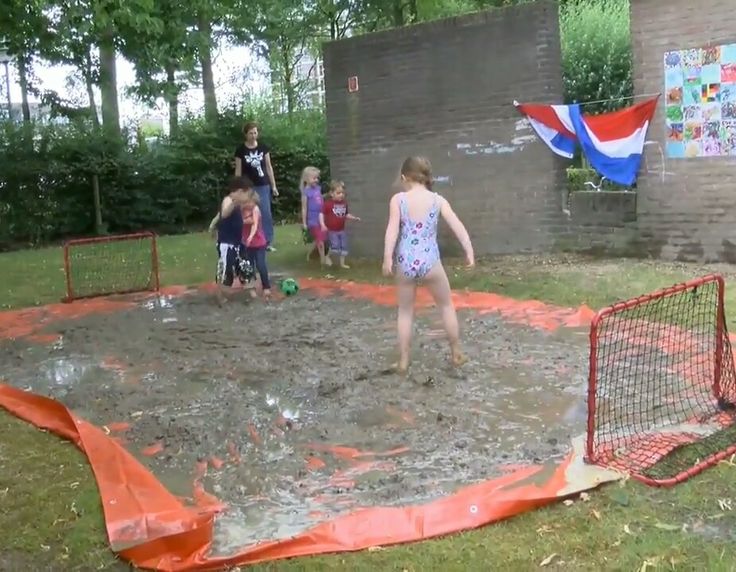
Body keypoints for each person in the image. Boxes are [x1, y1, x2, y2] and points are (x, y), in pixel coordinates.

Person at [382, 156, 475, 374]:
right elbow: (457, 225)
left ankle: (404, 360)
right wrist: (469, 250)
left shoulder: (398, 200)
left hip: (405, 260)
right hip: (430, 260)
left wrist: (387, 258)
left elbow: (392, 230)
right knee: (445, 306)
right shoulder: (438, 200)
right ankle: (456, 352)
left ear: (405, 177)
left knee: (405, 311)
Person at [234, 121, 278, 251]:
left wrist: (273, 186)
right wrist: (237, 187)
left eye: (255, 133)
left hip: (263, 185)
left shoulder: (263, 148)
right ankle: (246, 240)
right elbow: (238, 169)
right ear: (246, 134)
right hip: (247, 187)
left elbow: (269, 167)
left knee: (265, 213)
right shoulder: (240, 150)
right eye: (251, 133)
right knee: (246, 213)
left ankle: (267, 241)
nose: (253, 135)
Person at [208, 176, 251, 304]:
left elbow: (221, 216)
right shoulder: (228, 200)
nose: (248, 197)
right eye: (247, 193)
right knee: (226, 269)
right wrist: (234, 202)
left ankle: (249, 291)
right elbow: (225, 213)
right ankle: (220, 295)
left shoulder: (238, 203)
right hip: (227, 243)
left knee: (244, 266)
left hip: (237, 241)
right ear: (239, 192)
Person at [320, 180, 361, 268]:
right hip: (332, 231)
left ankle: (342, 264)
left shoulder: (344, 203)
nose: (341, 195)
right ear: (332, 193)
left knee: (344, 247)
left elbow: (346, 214)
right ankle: (327, 257)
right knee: (335, 248)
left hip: (341, 230)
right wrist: (322, 224)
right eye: (338, 193)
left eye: (342, 193)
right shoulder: (328, 204)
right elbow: (321, 214)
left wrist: (354, 218)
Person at [241, 190, 271, 299]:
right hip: (246, 244)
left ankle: (266, 287)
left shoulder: (255, 209)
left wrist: (250, 236)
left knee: (261, 265)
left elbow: (254, 224)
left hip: (258, 242)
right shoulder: (241, 210)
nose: (249, 204)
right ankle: (251, 288)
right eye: (247, 202)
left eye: (251, 202)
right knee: (249, 267)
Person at [300, 166, 330, 266]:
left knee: (322, 238)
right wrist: (304, 222)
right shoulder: (306, 192)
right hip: (313, 219)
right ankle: (323, 260)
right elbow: (304, 208)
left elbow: (320, 199)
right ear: (306, 179)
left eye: (317, 178)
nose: (316, 180)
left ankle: (312, 255)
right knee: (320, 240)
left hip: (322, 217)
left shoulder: (318, 188)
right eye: (314, 178)